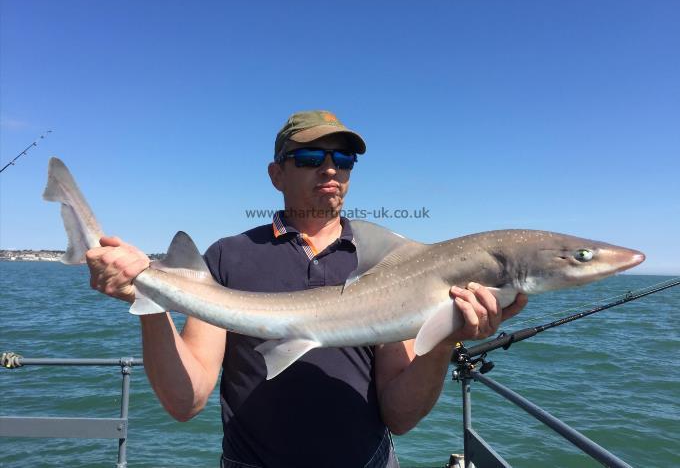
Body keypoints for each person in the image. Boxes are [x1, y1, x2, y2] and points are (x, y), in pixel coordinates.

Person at [86, 110, 528, 468]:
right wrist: (151, 300)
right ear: (276, 174)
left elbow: (401, 415)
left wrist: (444, 338)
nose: (331, 169)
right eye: (311, 158)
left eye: (344, 159)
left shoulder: (389, 263)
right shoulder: (229, 256)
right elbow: (187, 399)